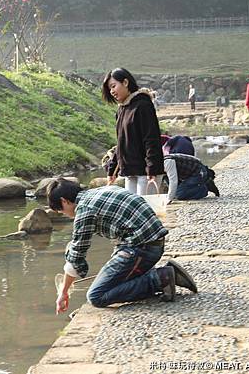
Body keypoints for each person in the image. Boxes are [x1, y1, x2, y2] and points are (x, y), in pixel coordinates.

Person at [48, 178, 197, 313]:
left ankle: (159, 278)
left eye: (61, 210)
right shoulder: (99, 191)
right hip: (152, 242)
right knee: (114, 281)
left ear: (64, 201)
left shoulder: (84, 211)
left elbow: (76, 255)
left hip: (141, 249)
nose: (65, 214)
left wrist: (63, 292)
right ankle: (160, 275)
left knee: (96, 296)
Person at [102, 68, 164, 196]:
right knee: (132, 212)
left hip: (146, 171)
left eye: (114, 86)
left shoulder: (143, 105)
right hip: (130, 171)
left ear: (125, 82)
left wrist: (152, 167)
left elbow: (151, 138)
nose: (112, 91)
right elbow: (120, 143)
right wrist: (112, 169)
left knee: (146, 210)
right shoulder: (121, 110)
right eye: (110, 89)